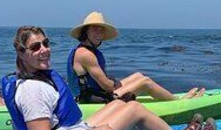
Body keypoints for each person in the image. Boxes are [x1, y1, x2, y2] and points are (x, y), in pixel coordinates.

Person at [2, 26, 216, 130]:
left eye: (45, 43)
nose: (44, 50)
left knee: (120, 104)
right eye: (35, 47)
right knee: (134, 109)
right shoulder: (33, 90)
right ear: (21, 54)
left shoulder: (34, 79)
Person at [66, 11, 205, 103]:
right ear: (86, 31)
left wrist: (114, 82)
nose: (99, 32)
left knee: (138, 75)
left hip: (97, 93)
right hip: (90, 100)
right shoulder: (85, 54)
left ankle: (171, 97)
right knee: (145, 82)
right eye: (95, 28)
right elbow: (107, 87)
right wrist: (113, 82)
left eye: (101, 29)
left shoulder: (84, 51)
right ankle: (179, 103)